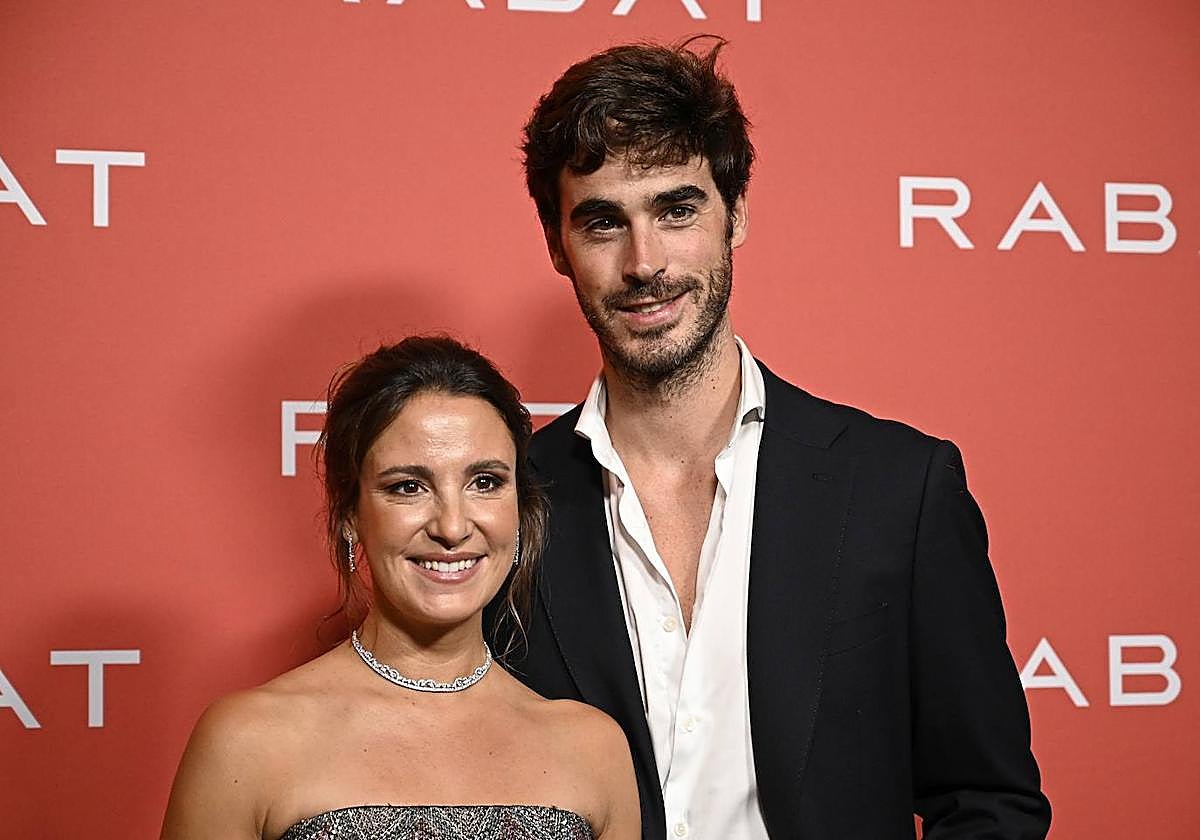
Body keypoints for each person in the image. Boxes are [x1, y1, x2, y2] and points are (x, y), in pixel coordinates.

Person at [490, 37, 1051, 840]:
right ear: (557, 246)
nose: (645, 263)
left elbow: (991, 804)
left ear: (737, 213)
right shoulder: (506, 505)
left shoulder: (899, 489)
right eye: (604, 222)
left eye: (677, 209)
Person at [162, 336, 640, 840]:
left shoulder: (592, 748)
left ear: (520, 510)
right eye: (408, 487)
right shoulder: (246, 743)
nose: (452, 527)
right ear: (350, 516)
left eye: (485, 482)